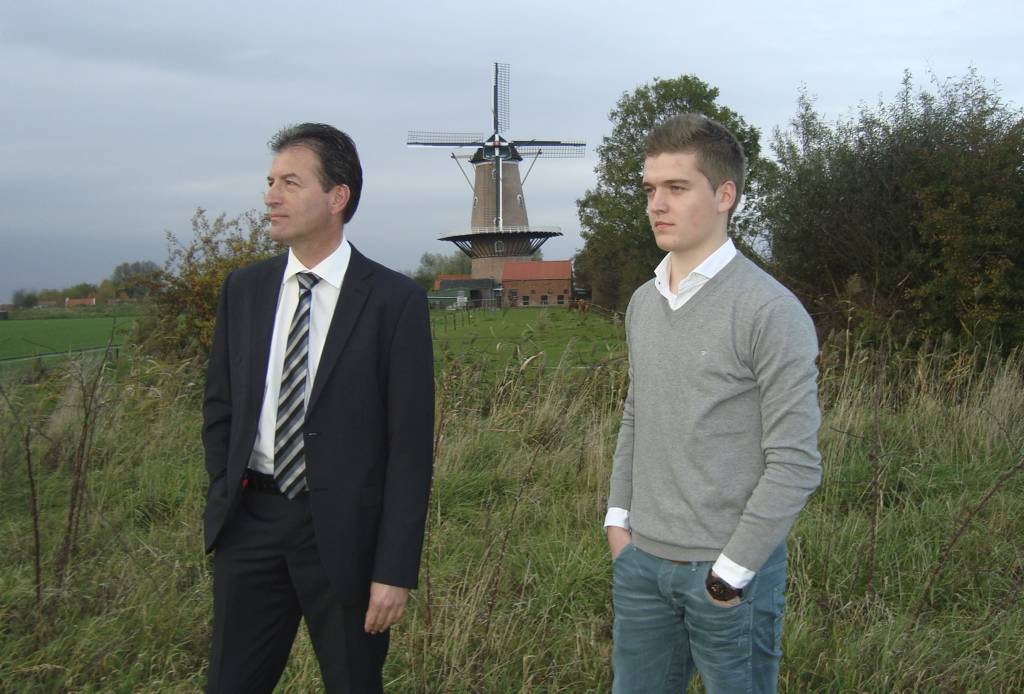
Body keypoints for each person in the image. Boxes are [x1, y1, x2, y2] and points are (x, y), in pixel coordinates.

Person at [201, 123, 434, 693]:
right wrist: (226, 495)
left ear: (337, 197)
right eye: (270, 182)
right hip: (251, 525)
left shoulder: (394, 302)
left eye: (290, 182)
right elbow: (220, 407)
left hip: (346, 538)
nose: (270, 196)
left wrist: (394, 570)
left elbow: (409, 449)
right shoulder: (244, 290)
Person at [605, 113, 822, 693]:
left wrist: (731, 572)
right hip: (642, 564)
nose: (657, 204)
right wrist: (618, 521)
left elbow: (796, 461)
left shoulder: (769, 311)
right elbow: (637, 415)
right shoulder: (644, 303)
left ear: (725, 195)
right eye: (650, 188)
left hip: (727, 576)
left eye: (677, 188)